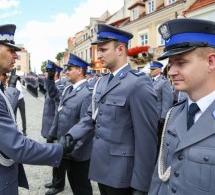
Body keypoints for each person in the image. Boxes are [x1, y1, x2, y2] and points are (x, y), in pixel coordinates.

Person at [0, 24, 70, 195]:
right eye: (11, 50)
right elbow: (17, 147)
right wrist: (60, 149)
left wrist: (10, 90)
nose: (16, 55)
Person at [64, 24, 158, 195]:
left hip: (123, 174)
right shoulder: (102, 81)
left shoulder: (138, 83)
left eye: (103, 49)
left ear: (120, 49)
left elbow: (147, 140)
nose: (99, 55)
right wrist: (72, 134)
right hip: (102, 167)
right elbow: (91, 116)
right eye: (98, 50)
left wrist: (142, 185)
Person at [148, 18, 215, 195]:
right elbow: (161, 175)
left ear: (211, 62)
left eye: (180, 62)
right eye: (171, 63)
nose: (171, 71)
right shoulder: (174, 113)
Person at [46, 54, 94, 195]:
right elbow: (58, 108)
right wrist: (53, 134)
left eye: (70, 69)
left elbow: (87, 126)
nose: (66, 72)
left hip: (77, 152)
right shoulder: (69, 89)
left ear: (80, 70)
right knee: (74, 185)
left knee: (81, 187)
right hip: (66, 147)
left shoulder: (87, 93)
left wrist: (74, 152)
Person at [41, 61, 67, 193]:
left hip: (55, 128)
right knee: (54, 158)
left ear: (55, 73)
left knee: (59, 158)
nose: (45, 74)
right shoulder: (52, 85)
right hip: (51, 127)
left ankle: (59, 184)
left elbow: (58, 111)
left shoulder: (60, 86)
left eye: (48, 71)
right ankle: (54, 181)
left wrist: (53, 131)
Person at [149, 61, 173, 153]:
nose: (151, 71)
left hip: (158, 116)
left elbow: (167, 100)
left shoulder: (164, 83)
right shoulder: (149, 81)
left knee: (158, 138)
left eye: (153, 69)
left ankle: (157, 155)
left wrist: (163, 116)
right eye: (151, 69)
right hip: (149, 114)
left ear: (159, 70)